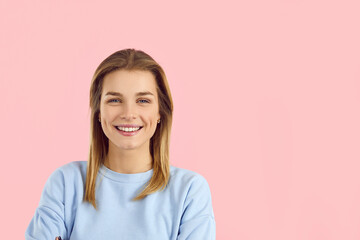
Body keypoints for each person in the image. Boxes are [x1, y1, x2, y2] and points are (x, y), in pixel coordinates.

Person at [25, 49, 216, 240]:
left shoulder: (190, 191)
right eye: (115, 100)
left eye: (143, 100)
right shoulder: (65, 183)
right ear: (98, 111)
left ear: (160, 112)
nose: (128, 113)